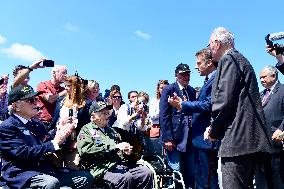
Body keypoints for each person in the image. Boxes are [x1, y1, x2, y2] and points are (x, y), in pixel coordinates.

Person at [204, 27, 272, 189]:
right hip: (248, 142)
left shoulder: (228, 60)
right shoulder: (242, 60)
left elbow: (224, 101)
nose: (208, 50)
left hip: (236, 143)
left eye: (209, 45)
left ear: (217, 43)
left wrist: (214, 131)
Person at [0, 85, 93, 189]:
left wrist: (60, 130)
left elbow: (49, 141)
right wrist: (54, 143)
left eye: (35, 99)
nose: (36, 103)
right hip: (22, 174)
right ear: (16, 106)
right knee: (51, 183)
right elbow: (22, 153)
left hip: (45, 171)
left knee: (85, 177)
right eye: (30, 100)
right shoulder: (7, 127)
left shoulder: (37, 125)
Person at [169, 48, 219, 189]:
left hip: (206, 139)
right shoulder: (208, 80)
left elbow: (209, 104)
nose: (196, 67)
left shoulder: (216, 79)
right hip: (198, 140)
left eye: (198, 63)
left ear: (209, 62)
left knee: (209, 178)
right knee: (201, 179)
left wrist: (182, 104)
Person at [77, 101, 154, 189]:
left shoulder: (112, 131)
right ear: (93, 116)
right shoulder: (86, 130)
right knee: (125, 178)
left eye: (108, 113)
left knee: (146, 173)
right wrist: (114, 147)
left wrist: (126, 152)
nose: (107, 116)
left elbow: (119, 150)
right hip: (100, 168)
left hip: (118, 165)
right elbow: (84, 150)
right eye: (103, 113)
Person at [159, 63, 196, 188]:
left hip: (189, 139)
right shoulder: (168, 89)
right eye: (183, 74)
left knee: (190, 171)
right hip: (174, 139)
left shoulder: (191, 90)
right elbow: (164, 115)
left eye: (188, 74)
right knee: (176, 171)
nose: (186, 77)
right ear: (176, 76)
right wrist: (167, 138)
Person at [49, 75, 90, 169]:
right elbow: (54, 119)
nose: (65, 88)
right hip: (58, 137)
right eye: (65, 85)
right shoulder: (60, 101)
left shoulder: (85, 104)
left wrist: (78, 141)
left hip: (73, 140)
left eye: (68, 86)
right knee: (56, 166)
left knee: (74, 166)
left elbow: (86, 126)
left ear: (75, 87)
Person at [255, 65, 284, 188]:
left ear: (273, 75)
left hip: (276, 146)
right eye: (260, 78)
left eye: (264, 77)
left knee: (277, 182)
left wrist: (282, 129)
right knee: (262, 183)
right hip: (260, 147)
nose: (261, 80)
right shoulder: (260, 95)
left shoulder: (283, 90)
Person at [146, 79, 169, 156]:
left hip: (168, 130)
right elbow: (152, 116)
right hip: (157, 129)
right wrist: (163, 109)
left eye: (166, 88)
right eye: (162, 88)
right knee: (157, 154)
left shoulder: (172, 100)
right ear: (158, 89)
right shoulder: (154, 101)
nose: (163, 90)